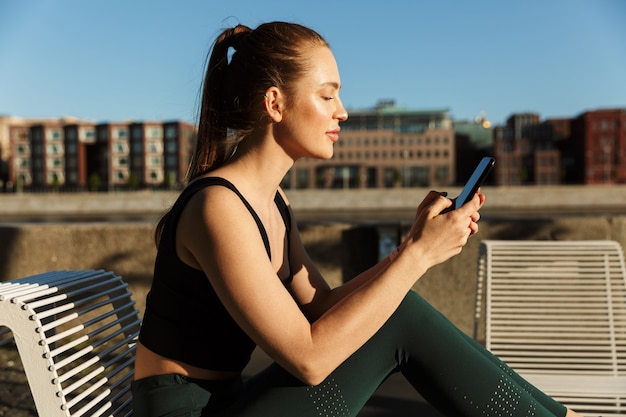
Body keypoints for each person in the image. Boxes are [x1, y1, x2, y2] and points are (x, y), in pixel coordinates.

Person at [132, 21, 583, 417]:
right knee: (399, 312)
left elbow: (321, 309)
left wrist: (411, 246)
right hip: (191, 412)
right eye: (327, 95)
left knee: (397, 307)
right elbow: (308, 358)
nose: (342, 111)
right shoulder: (220, 208)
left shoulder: (272, 201)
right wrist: (417, 256)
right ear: (275, 103)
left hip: (229, 401)